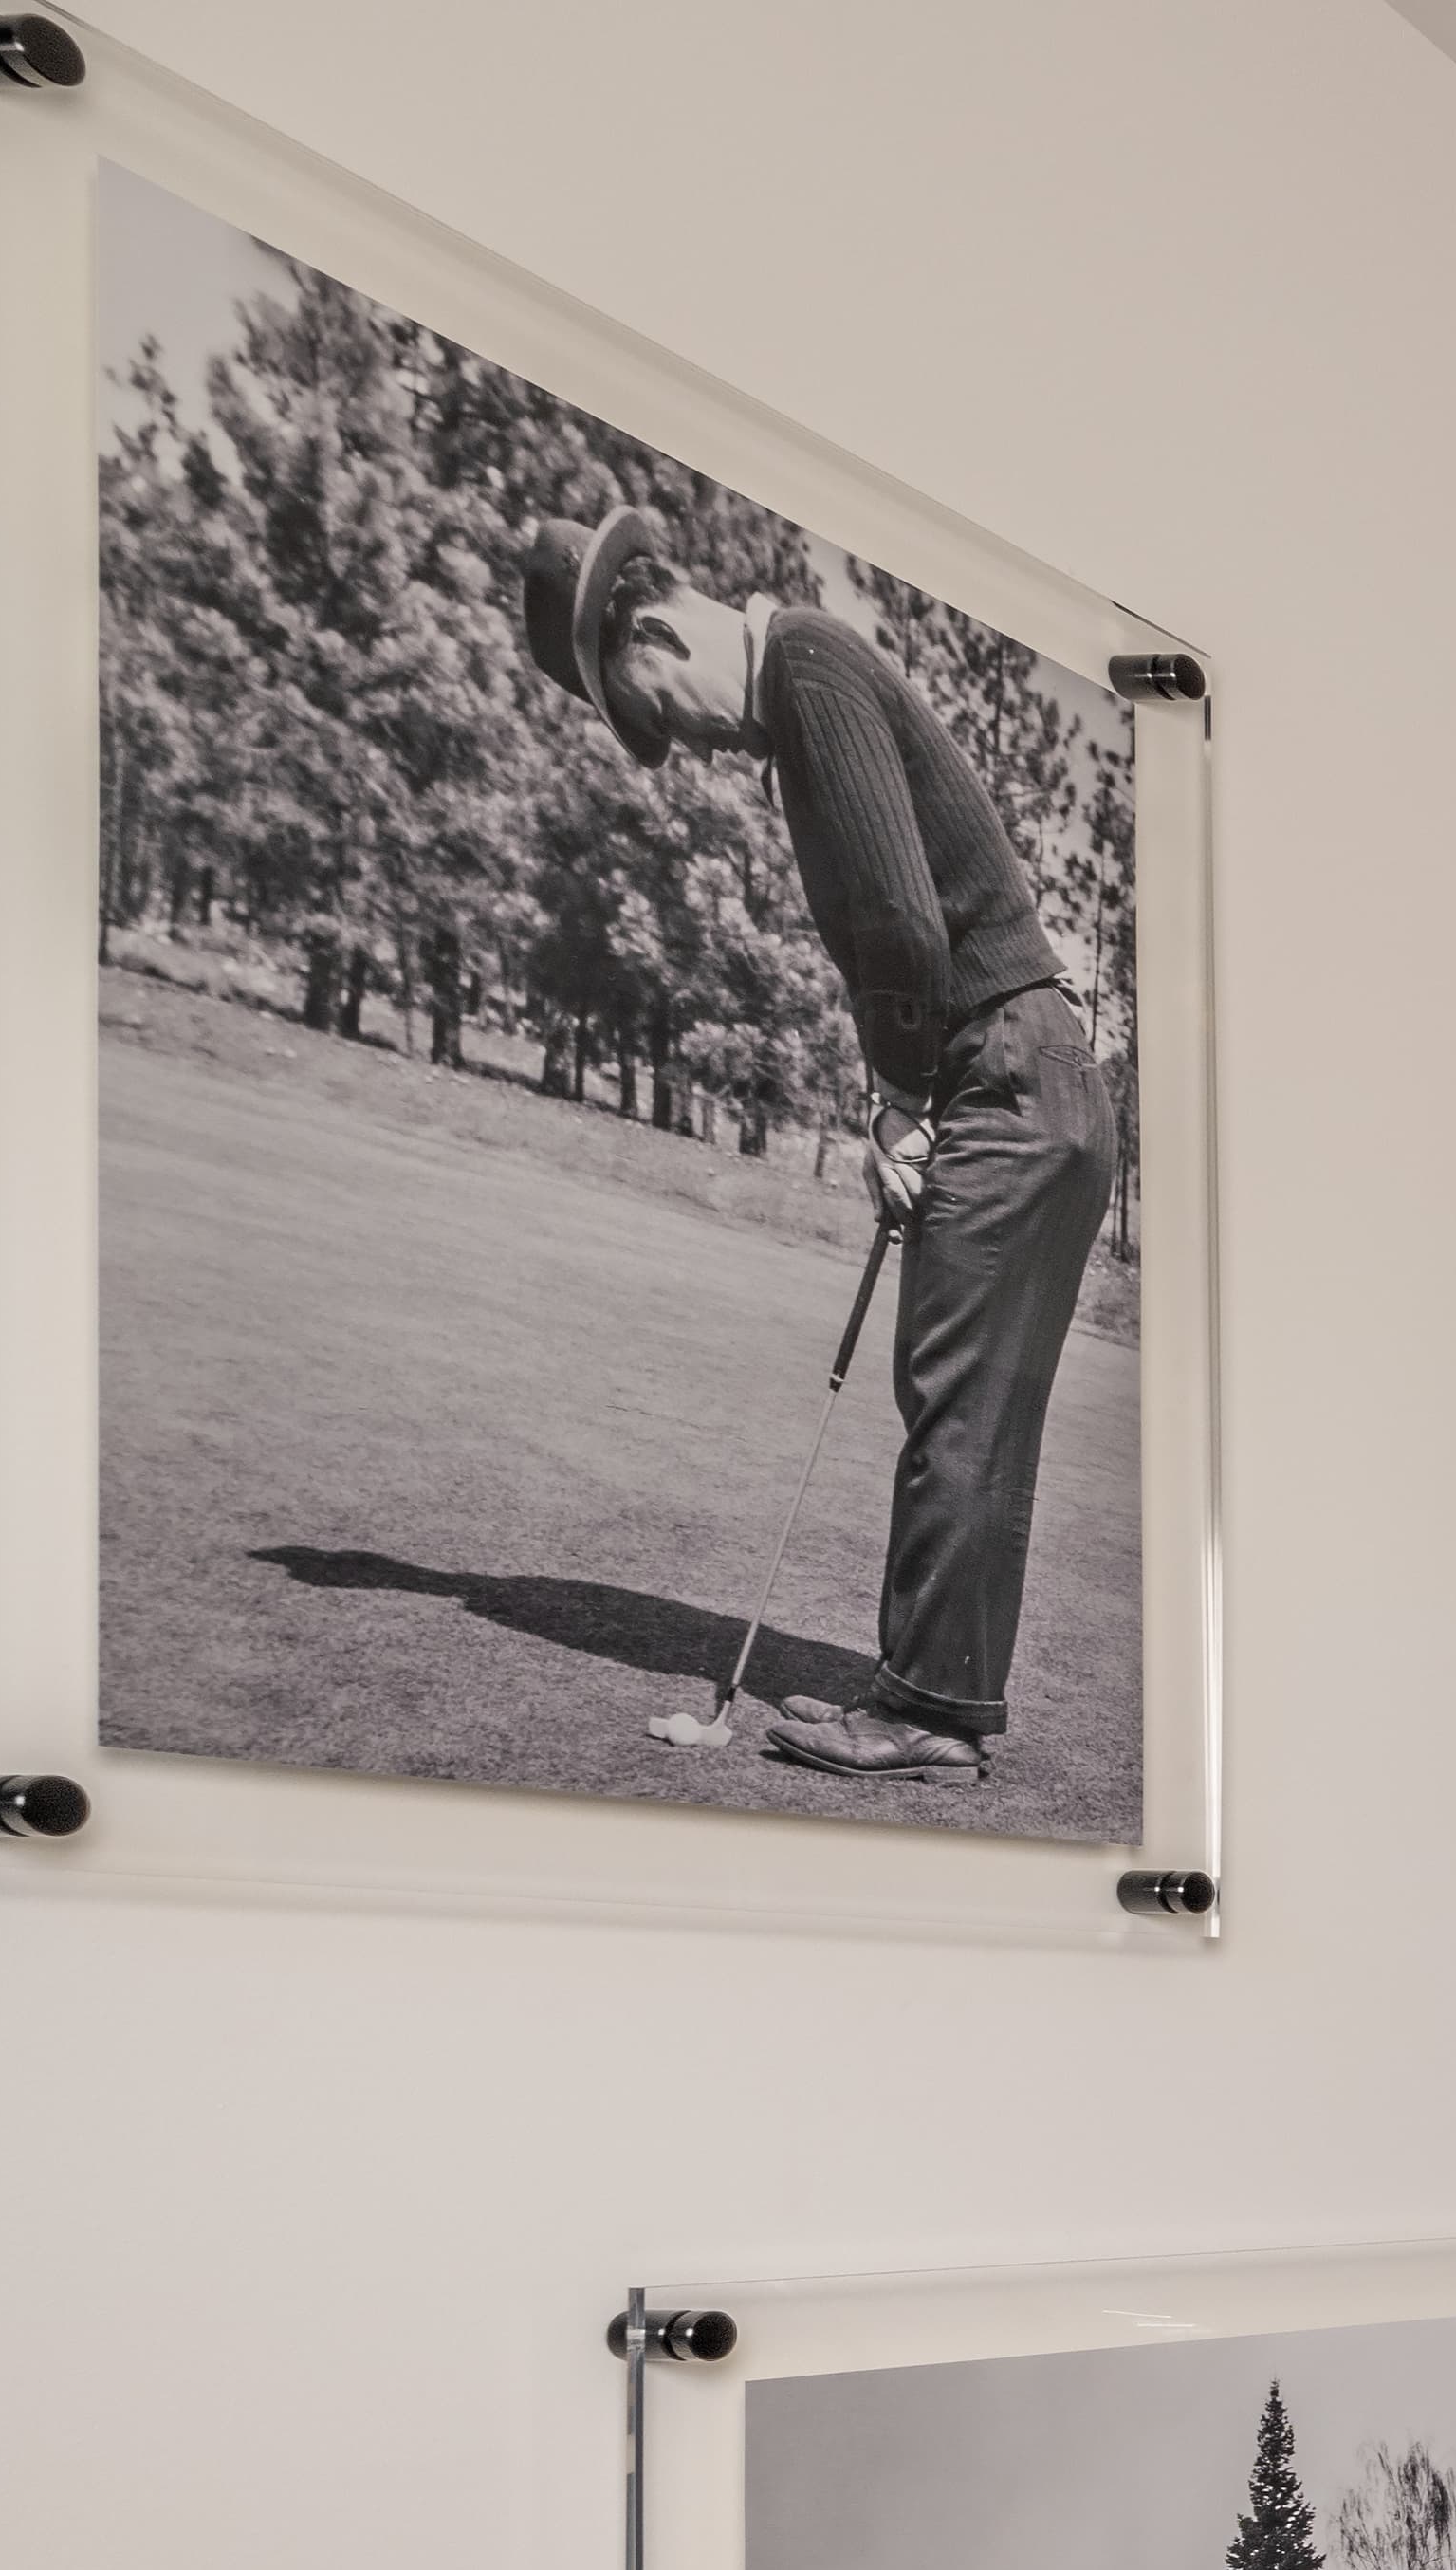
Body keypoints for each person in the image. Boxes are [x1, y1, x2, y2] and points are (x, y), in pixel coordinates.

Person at [513, 505, 1111, 1786]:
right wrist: (910, 1092)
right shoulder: (801, 695)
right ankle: (936, 1696)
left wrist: (900, 1097)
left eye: (656, 710)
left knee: (957, 1395)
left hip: (1005, 1067)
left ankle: (929, 1711)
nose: (685, 741)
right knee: (965, 1400)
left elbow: (898, 918)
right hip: (1022, 1071)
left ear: (657, 630)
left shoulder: (807, 665)